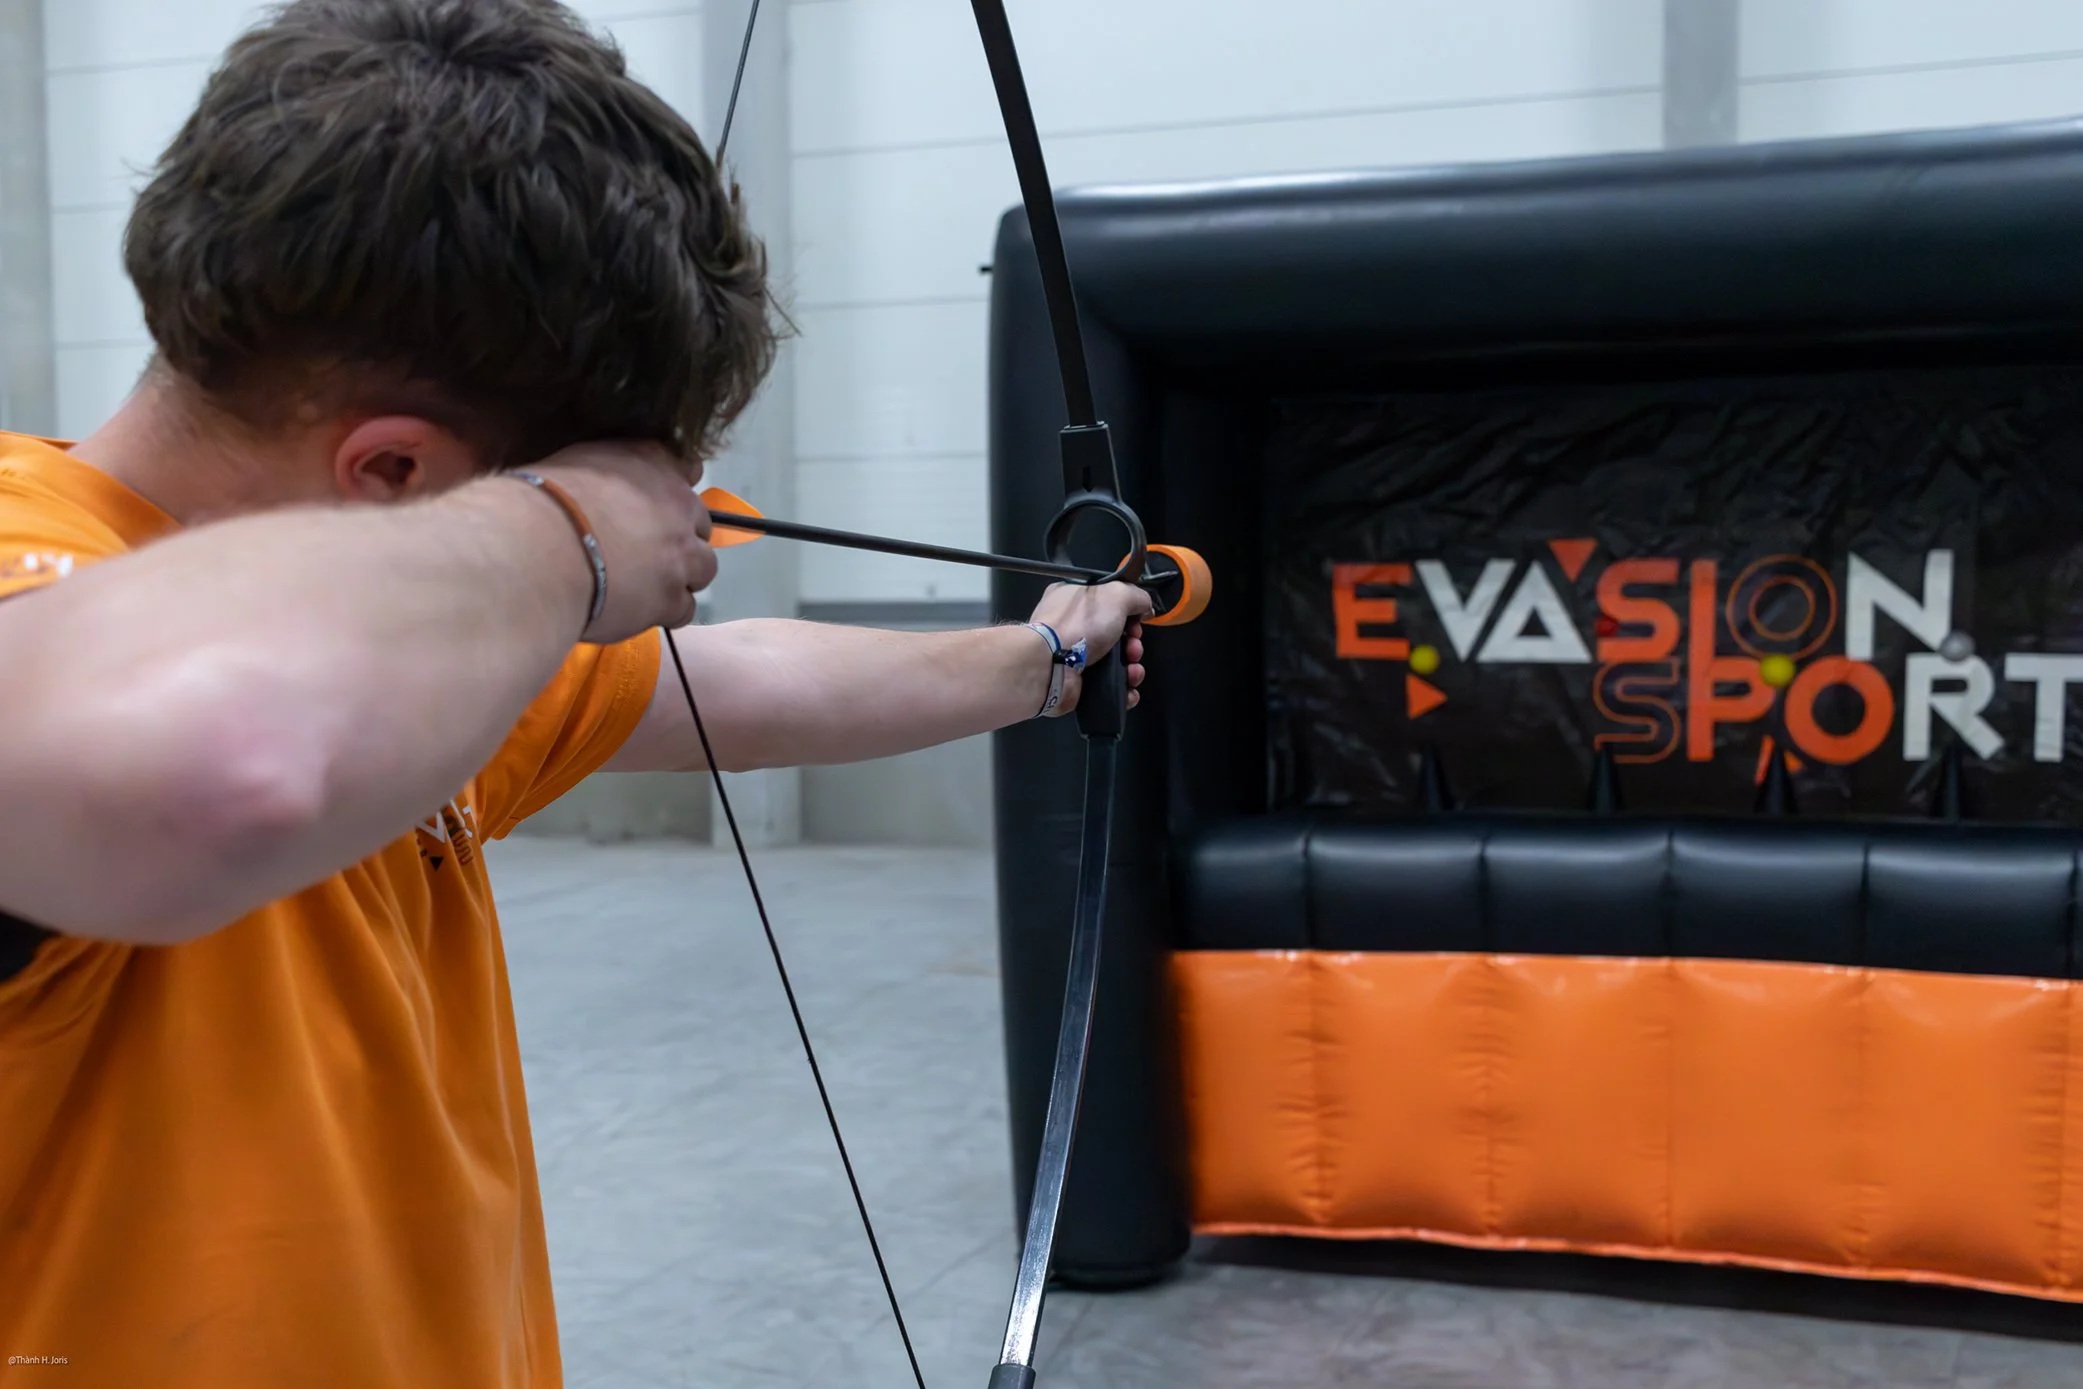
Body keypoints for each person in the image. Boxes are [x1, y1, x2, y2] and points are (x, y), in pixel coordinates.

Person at [0, 1, 1151, 1384]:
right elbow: (209, 759)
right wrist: (566, 535)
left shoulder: (392, 644)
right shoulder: (39, 569)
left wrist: (1045, 660)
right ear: (395, 474)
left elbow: (719, 685)